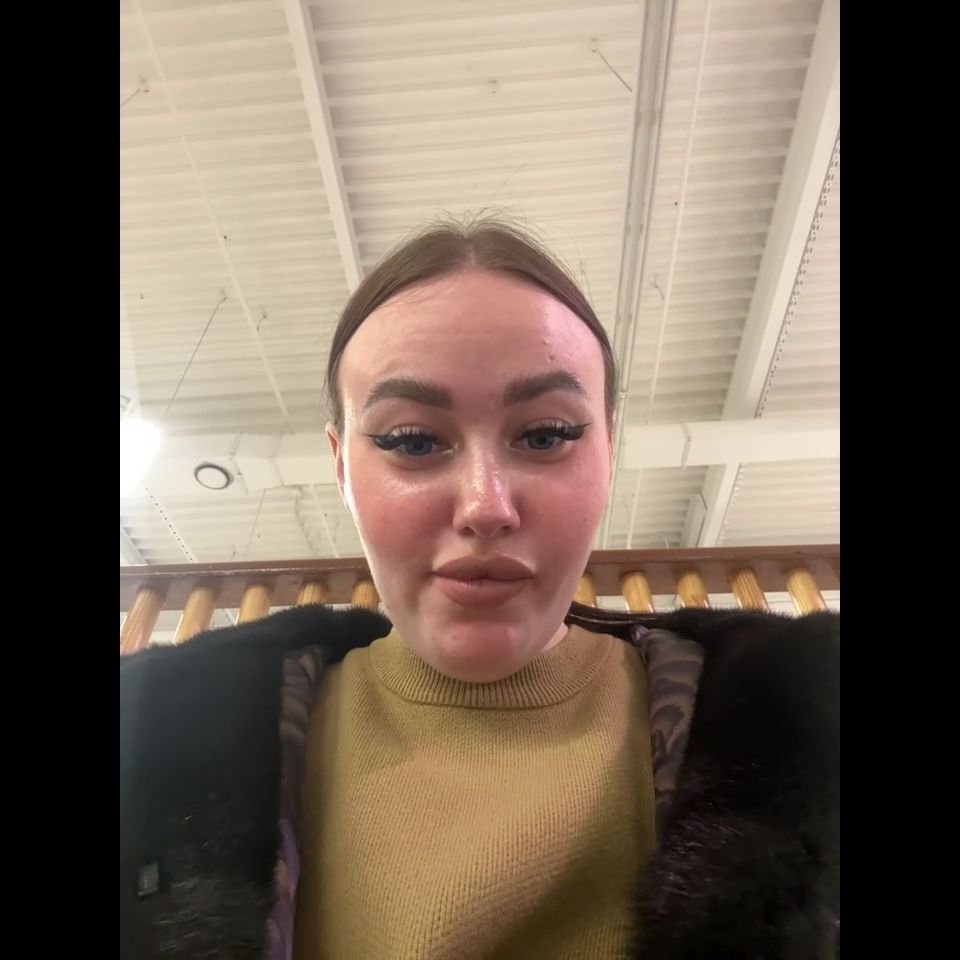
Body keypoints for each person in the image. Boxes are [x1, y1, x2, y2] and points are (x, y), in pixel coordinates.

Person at [120, 217, 840, 960]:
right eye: (412, 441)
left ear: (608, 449)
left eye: (546, 434)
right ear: (340, 468)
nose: (485, 506)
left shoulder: (813, 720)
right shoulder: (146, 748)